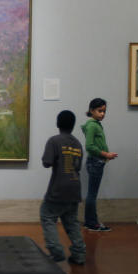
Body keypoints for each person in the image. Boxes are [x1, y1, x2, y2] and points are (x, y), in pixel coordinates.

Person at [39, 110, 86, 265]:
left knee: (47, 216)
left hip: (58, 188)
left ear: (57, 123)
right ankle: (79, 254)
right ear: (73, 126)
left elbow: (47, 162)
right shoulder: (78, 144)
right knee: (71, 222)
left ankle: (56, 251)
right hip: (74, 188)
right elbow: (78, 167)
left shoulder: (54, 141)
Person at [81, 98, 117, 231]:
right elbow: (89, 146)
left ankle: (90, 221)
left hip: (97, 162)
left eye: (104, 111)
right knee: (92, 195)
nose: (102, 114)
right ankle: (92, 223)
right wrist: (105, 154)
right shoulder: (92, 125)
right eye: (99, 111)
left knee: (92, 194)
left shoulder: (95, 124)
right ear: (91, 110)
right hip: (95, 162)